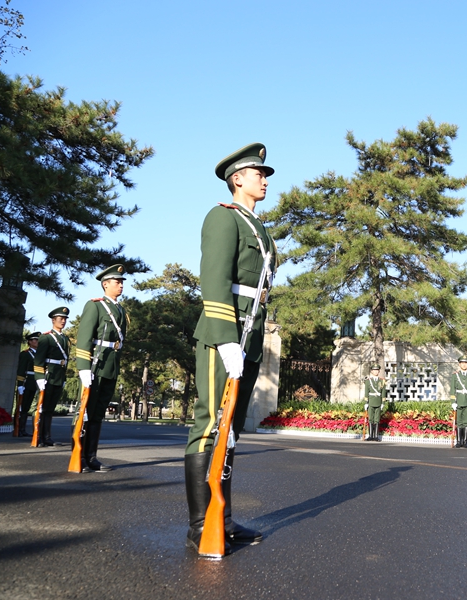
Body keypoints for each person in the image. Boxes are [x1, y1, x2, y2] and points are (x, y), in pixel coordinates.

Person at [184, 143, 277, 554]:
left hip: (250, 336)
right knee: (210, 423)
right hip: (226, 334)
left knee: (232, 430)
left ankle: (221, 516)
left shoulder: (260, 228)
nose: (265, 178)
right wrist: (225, 338)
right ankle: (200, 523)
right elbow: (215, 280)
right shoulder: (223, 219)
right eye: (258, 172)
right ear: (237, 178)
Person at [74, 264, 127, 473]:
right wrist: (83, 368)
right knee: (85, 411)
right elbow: (84, 338)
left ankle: (92, 456)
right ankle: (78, 456)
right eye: (117, 282)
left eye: (122, 282)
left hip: (110, 366)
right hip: (95, 364)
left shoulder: (121, 310)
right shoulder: (95, 306)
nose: (121, 285)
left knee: (98, 413)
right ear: (105, 285)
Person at [32, 308, 71, 447]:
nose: (63, 321)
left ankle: (47, 437)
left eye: (65, 318)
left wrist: (63, 378)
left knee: (50, 409)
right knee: (42, 408)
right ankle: (38, 437)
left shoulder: (65, 339)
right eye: (60, 318)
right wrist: (40, 377)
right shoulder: (46, 337)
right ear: (53, 320)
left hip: (58, 377)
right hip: (48, 376)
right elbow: (39, 359)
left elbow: (64, 361)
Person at [14, 332, 39, 437]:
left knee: (26, 407)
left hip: (34, 382)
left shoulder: (39, 354)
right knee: (21, 406)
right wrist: (20, 384)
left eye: (38, 340)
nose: (37, 342)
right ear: (30, 342)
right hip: (26, 382)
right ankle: (17, 428)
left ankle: (22, 429)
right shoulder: (25, 354)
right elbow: (21, 370)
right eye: (35, 340)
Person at [450, 357, 467, 448]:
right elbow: (452, 390)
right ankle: (459, 441)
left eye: (466, 363)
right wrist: (453, 402)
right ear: (459, 364)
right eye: (462, 363)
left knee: (466, 422)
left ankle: (465, 442)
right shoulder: (455, 375)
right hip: (459, 401)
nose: (464, 364)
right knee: (459, 422)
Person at [364, 365, 386, 441]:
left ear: (379, 371)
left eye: (377, 370)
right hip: (371, 401)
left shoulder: (382, 381)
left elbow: (383, 392)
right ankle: (370, 436)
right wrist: (366, 402)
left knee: (377, 419)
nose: (376, 371)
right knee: (371, 419)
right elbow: (366, 392)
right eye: (374, 370)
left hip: (378, 402)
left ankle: (376, 436)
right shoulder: (368, 381)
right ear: (371, 371)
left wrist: (383, 402)